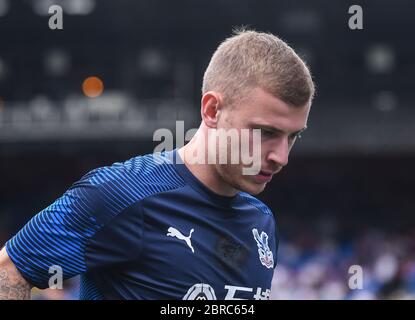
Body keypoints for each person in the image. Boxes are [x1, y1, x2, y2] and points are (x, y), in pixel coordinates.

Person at [0, 29, 314, 300]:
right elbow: (10, 269)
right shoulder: (121, 193)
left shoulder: (261, 221)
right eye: (266, 133)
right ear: (212, 110)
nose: (281, 157)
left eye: (292, 137)